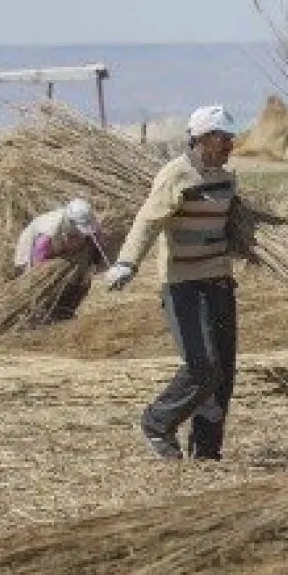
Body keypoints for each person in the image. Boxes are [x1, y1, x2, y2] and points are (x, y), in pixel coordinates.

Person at [103, 105, 240, 461]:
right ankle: (157, 423)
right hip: (184, 285)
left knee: (222, 372)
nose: (228, 144)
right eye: (222, 138)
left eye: (230, 138)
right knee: (201, 366)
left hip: (220, 283)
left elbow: (235, 222)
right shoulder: (175, 175)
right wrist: (126, 262)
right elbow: (148, 220)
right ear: (201, 139)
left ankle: (207, 452)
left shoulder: (227, 178)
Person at [10, 197, 107, 321]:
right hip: (34, 247)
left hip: (60, 247)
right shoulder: (50, 230)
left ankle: (66, 306)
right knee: (41, 284)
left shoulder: (88, 221)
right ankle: (38, 312)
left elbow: (97, 238)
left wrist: (97, 258)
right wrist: (42, 279)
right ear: (70, 221)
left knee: (78, 276)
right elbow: (37, 263)